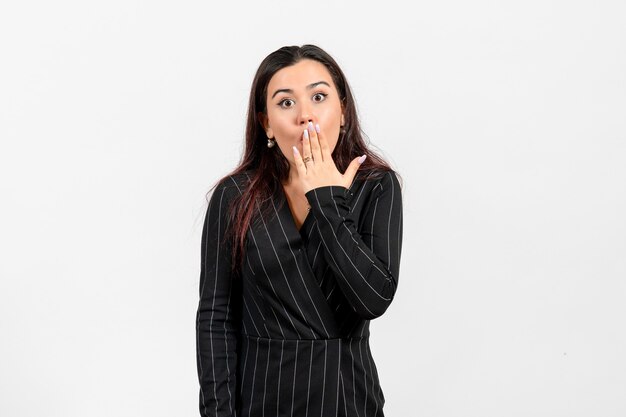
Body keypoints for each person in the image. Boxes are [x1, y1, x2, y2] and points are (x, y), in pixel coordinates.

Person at [196, 44, 403, 417]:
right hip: (260, 400)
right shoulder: (234, 196)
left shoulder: (377, 186)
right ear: (265, 123)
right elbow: (215, 317)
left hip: (345, 398)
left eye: (319, 97)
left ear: (342, 111)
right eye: (286, 103)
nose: (305, 115)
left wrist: (327, 198)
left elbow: (374, 299)